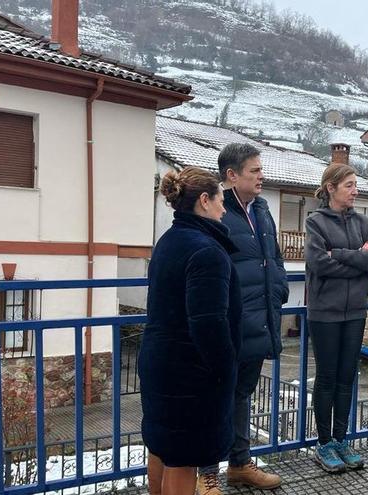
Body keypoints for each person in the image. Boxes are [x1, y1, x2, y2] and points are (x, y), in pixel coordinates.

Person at [140, 168, 241, 495]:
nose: (224, 209)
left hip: (160, 363)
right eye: (221, 200)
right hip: (191, 373)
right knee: (184, 457)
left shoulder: (169, 240)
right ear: (204, 200)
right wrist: (226, 370)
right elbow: (209, 324)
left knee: (162, 447)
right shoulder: (208, 251)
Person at [211, 142, 287, 490]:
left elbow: (275, 258)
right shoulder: (214, 209)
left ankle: (239, 464)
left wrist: (279, 292)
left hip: (259, 320)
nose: (261, 176)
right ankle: (206, 474)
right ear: (231, 175)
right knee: (216, 397)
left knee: (241, 394)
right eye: (254, 170)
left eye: (260, 169)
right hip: (227, 322)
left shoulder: (262, 209)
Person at [304, 163, 368, 473]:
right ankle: (324, 444)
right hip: (325, 312)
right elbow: (318, 263)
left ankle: (341, 439)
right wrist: (357, 259)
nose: (355, 190)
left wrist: (339, 253)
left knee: (347, 377)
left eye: (355, 184)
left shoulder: (363, 220)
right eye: (349, 185)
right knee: (327, 377)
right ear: (331, 188)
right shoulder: (316, 222)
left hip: (355, 312)